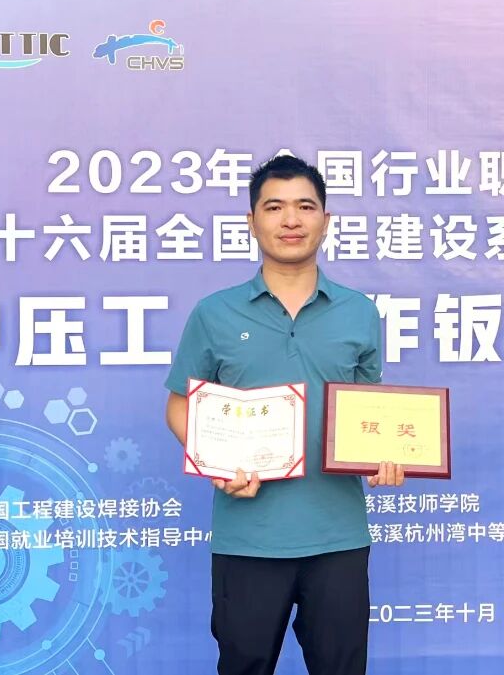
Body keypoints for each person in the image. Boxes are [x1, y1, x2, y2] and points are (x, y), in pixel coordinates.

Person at [164, 154, 404, 675]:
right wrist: (215, 464)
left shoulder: (359, 311)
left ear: (326, 220)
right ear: (252, 222)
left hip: (338, 536)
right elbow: (180, 404)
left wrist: (383, 456)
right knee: (244, 665)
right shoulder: (214, 312)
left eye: (305, 206)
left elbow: (368, 409)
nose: (290, 220)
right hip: (248, 536)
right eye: (274, 207)